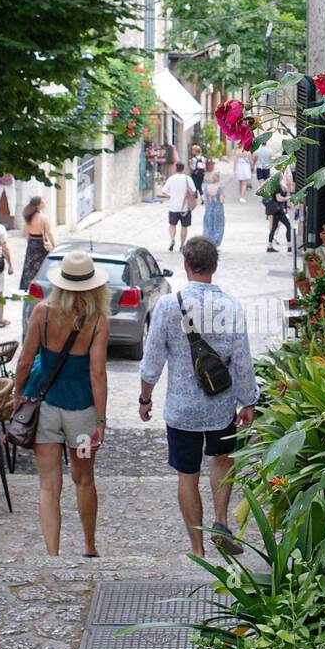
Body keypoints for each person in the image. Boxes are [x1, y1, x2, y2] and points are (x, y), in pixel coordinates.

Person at [139, 236, 258, 559]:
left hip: (181, 409)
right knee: (222, 460)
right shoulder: (231, 306)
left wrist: (145, 398)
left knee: (187, 475)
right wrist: (248, 402)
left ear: (186, 265)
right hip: (221, 405)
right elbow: (243, 360)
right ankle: (220, 521)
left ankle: (198, 549)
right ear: (214, 267)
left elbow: (152, 361)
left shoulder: (167, 305)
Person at [11, 250, 110, 558]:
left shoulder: (42, 312)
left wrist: (18, 396)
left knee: (48, 485)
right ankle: (89, 545)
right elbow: (97, 373)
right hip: (81, 413)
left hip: (45, 408)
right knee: (83, 480)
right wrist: (101, 420)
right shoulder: (98, 321)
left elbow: (25, 361)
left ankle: (52, 554)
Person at [20, 195, 57, 290]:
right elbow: (49, 233)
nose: (44, 203)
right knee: (42, 265)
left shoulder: (29, 217)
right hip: (41, 244)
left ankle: (29, 286)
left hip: (32, 243)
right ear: (39, 205)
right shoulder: (44, 218)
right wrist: (54, 246)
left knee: (30, 266)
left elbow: (27, 233)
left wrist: (29, 243)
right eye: (43, 201)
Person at [163, 160, 196, 251]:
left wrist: (171, 196)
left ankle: (172, 240)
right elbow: (194, 191)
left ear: (175, 168)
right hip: (185, 208)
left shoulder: (171, 178)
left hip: (173, 206)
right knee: (184, 226)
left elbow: (164, 191)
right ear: (183, 169)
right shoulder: (187, 178)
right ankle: (182, 245)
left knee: (172, 224)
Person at [263, 169, 293, 252]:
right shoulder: (277, 186)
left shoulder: (273, 185)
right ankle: (289, 246)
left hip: (274, 209)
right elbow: (279, 199)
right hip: (278, 209)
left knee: (273, 228)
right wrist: (289, 198)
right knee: (288, 225)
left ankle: (269, 246)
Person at [202, 160, 226, 246]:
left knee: (208, 225)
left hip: (209, 207)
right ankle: (215, 243)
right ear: (218, 178)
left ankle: (207, 241)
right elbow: (222, 200)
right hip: (218, 208)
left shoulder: (206, 187)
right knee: (218, 226)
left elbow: (204, 200)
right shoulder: (220, 188)